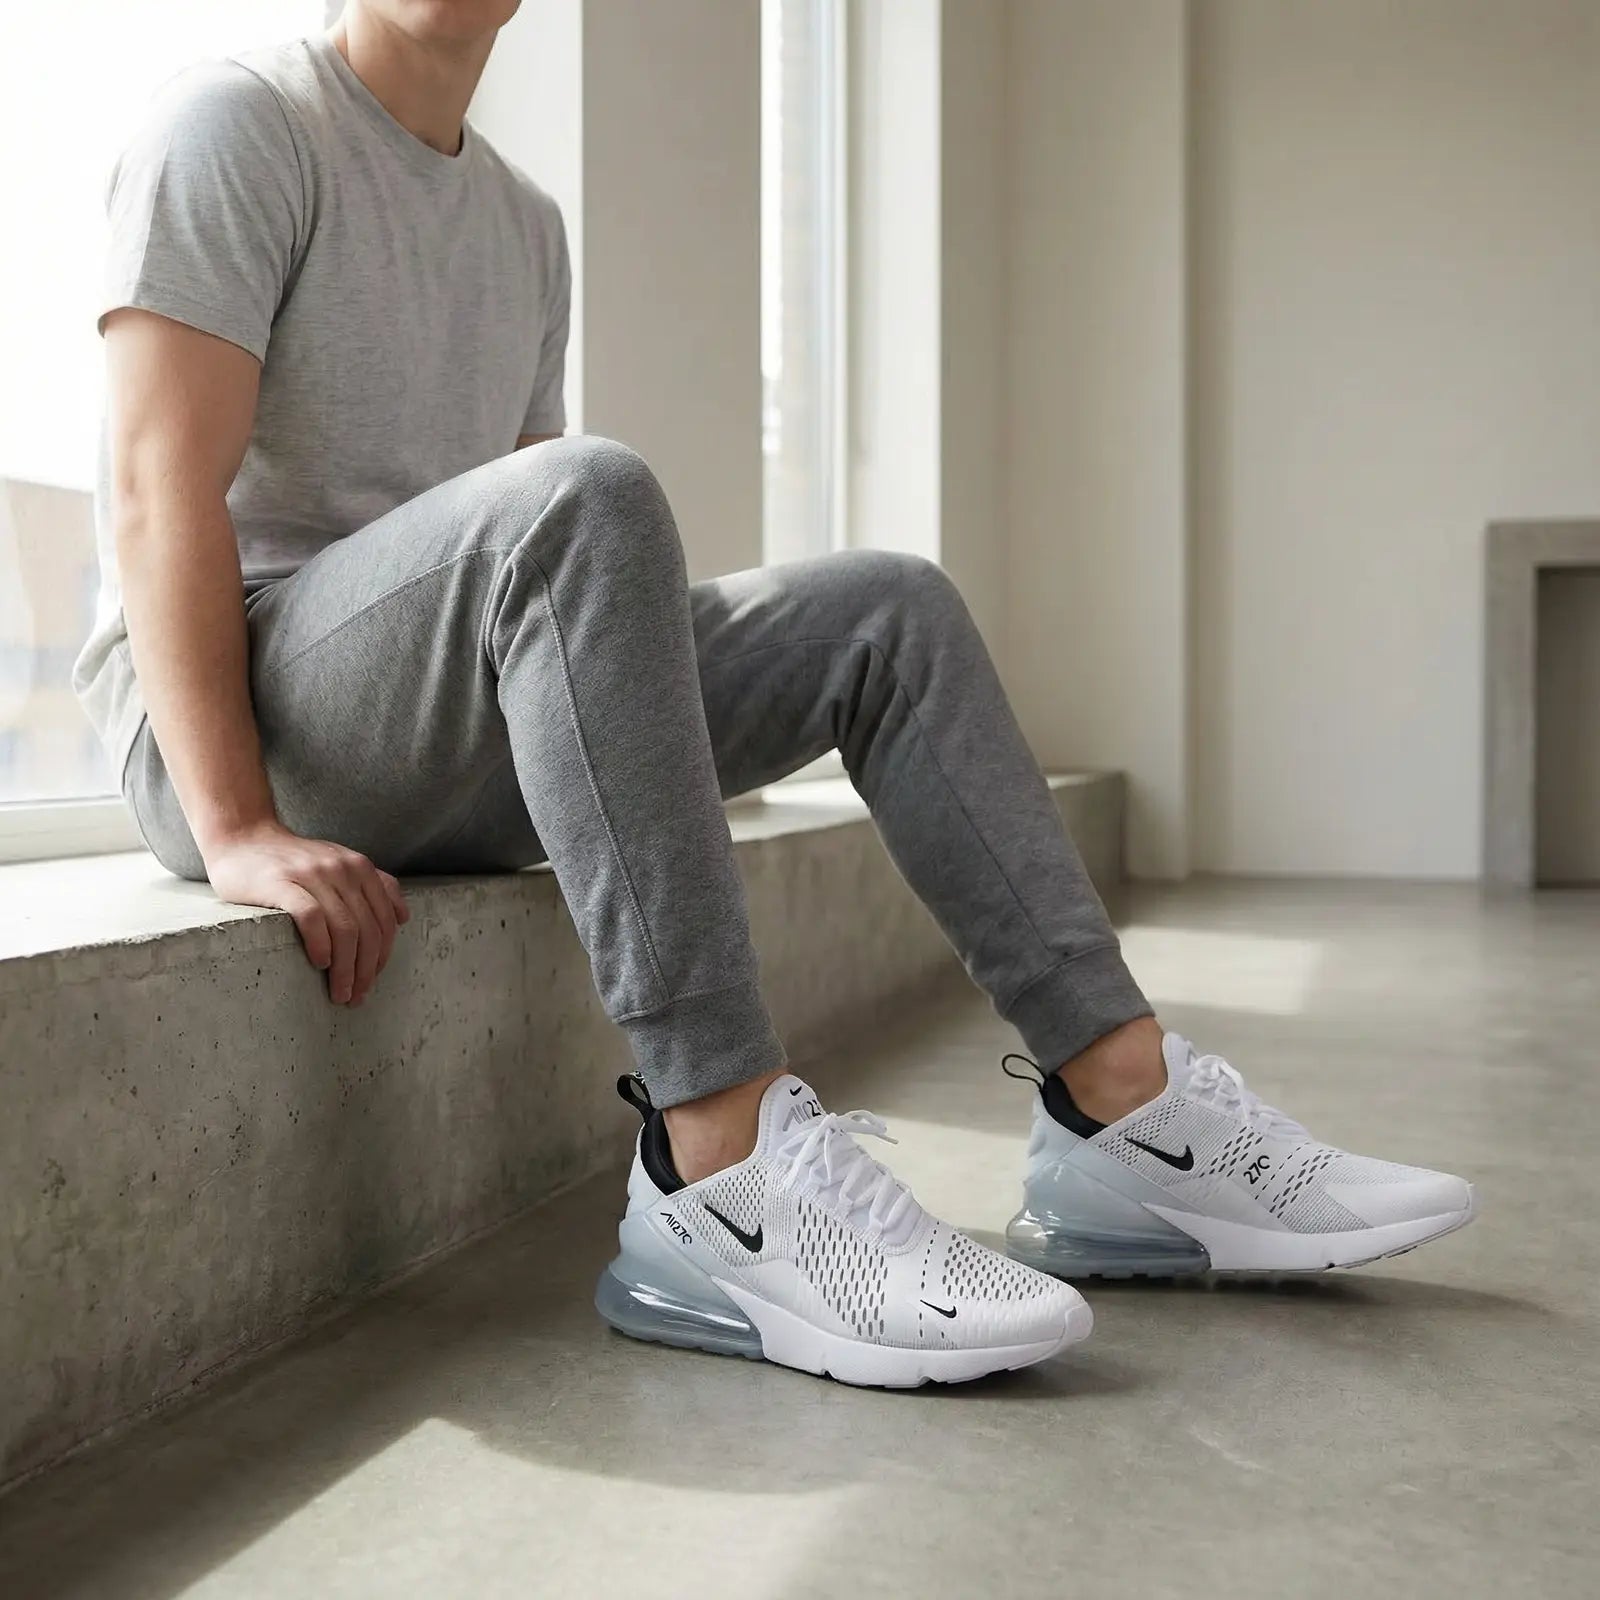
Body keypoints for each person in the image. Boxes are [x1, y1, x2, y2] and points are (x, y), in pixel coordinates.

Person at [76, 0, 1475, 1390]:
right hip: (240, 720)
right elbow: (153, 492)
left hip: (436, 725)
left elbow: (517, 581)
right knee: (589, 493)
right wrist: (241, 826)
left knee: (886, 607)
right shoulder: (244, 127)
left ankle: (1131, 1117)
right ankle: (724, 1171)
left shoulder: (523, 223)